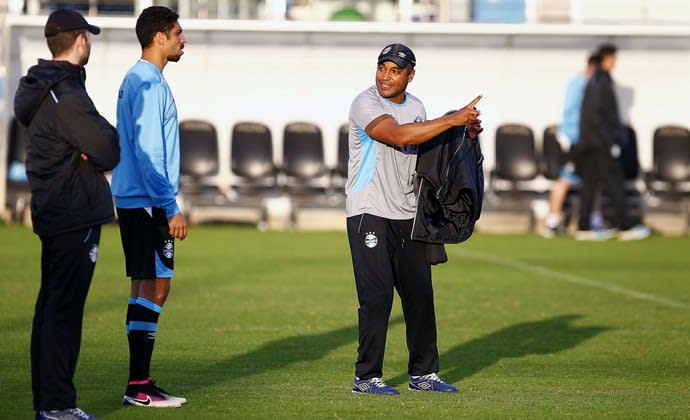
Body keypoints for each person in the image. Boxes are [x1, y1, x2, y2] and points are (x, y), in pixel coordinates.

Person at [346, 43, 482, 395]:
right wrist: (452, 118)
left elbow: (423, 147)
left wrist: (460, 135)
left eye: (395, 70)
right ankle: (366, 377)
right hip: (369, 210)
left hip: (409, 214)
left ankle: (423, 374)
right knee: (377, 297)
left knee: (420, 295)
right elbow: (396, 135)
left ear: (410, 75)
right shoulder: (365, 103)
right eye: (382, 68)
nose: (386, 76)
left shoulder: (418, 106)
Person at [13, 9, 120, 419]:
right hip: (73, 212)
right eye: (87, 36)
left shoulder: (45, 89)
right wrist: (94, 146)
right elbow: (109, 148)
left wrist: (91, 146)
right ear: (79, 40)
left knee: (51, 309)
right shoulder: (67, 96)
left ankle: (49, 403)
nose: (89, 42)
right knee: (63, 313)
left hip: (54, 209)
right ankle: (57, 406)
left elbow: (97, 145)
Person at [110, 6, 188, 408]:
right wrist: (169, 205)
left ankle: (139, 382)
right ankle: (138, 385)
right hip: (147, 201)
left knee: (145, 283)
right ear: (159, 37)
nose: (183, 39)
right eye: (178, 33)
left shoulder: (136, 78)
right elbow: (147, 150)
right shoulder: (147, 83)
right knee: (157, 284)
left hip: (135, 198)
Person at [576, 43, 650, 241]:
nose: (615, 62)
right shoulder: (600, 82)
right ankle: (625, 225)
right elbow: (598, 117)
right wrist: (611, 141)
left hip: (592, 143)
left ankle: (583, 227)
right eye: (614, 58)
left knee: (590, 186)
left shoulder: (599, 80)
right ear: (606, 58)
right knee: (614, 183)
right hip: (599, 144)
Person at [541, 52, 603, 238]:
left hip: (586, 140)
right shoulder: (579, 84)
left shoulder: (591, 84)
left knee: (595, 179)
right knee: (565, 178)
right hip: (573, 139)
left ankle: (595, 219)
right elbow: (574, 114)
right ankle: (552, 221)